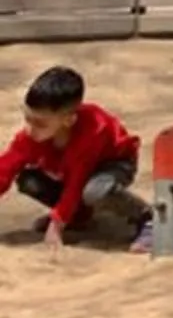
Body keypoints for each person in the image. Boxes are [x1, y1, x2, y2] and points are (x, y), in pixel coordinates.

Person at [0, 66, 153, 250]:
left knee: (94, 191)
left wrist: (57, 222)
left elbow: (77, 182)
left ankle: (148, 217)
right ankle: (79, 215)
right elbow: (5, 168)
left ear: (68, 120)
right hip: (70, 168)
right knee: (28, 181)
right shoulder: (31, 137)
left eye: (40, 123)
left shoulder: (93, 131)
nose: (30, 129)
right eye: (28, 119)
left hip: (113, 164)